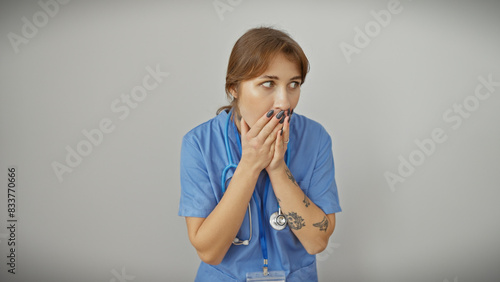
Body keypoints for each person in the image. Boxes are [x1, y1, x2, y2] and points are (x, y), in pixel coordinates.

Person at [178, 26, 341, 281]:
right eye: (268, 83)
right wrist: (250, 166)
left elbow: (316, 242)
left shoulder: (316, 138)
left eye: (293, 84)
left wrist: (277, 169)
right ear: (234, 87)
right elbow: (209, 252)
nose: (284, 102)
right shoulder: (199, 143)